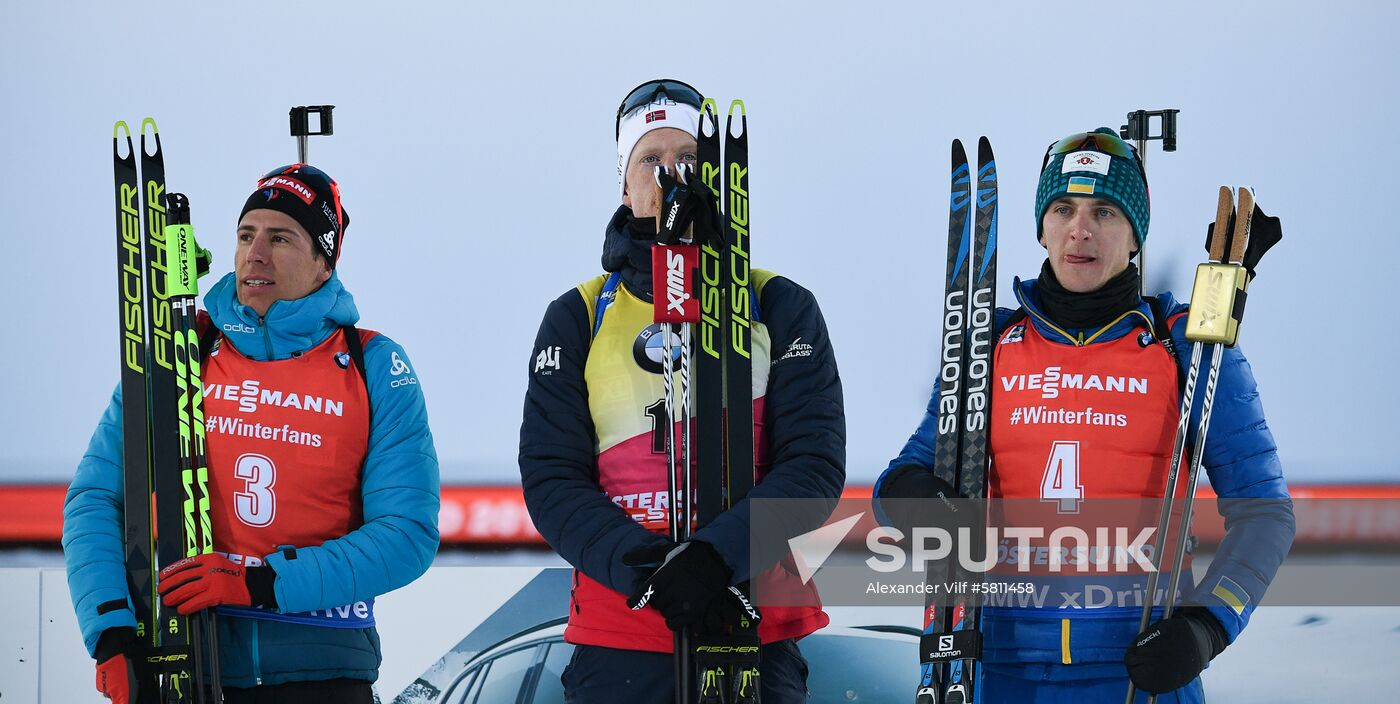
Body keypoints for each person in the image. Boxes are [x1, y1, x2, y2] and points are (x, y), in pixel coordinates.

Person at [874, 128, 1295, 702]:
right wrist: (918, 500)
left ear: (1135, 236)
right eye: (1064, 208)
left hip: (1139, 670)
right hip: (997, 669)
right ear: (1041, 229)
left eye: (1105, 211)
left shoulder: (1186, 347)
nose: (1082, 229)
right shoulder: (989, 343)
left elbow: (1265, 513)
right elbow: (902, 478)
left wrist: (1207, 626)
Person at [518, 78, 846, 703]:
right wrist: (648, 570)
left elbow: (814, 465)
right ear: (624, 184)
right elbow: (551, 478)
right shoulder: (579, 314)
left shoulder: (780, 304)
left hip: (757, 628)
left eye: (690, 159)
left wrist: (716, 558)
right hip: (621, 632)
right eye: (651, 158)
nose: (671, 174)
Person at [64, 164, 440, 704]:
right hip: (183, 665)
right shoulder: (180, 353)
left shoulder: (373, 364)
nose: (254, 254)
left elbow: (407, 534)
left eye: (280, 238)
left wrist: (260, 583)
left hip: (324, 673)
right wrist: (110, 632)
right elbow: (96, 497)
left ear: (322, 260)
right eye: (246, 235)